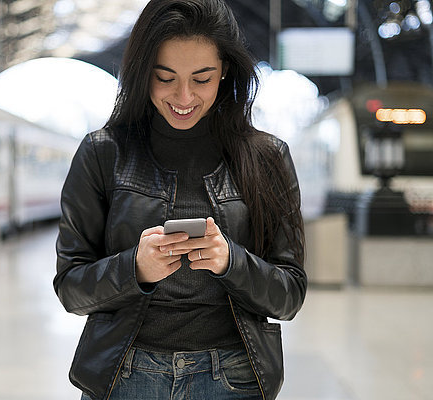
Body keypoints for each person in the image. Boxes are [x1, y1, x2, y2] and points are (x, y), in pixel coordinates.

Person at [54, 0, 306, 399]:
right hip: (125, 376)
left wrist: (231, 262)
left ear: (225, 70)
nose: (184, 96)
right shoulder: (103, 153)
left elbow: (289, 296)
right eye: (165, 77)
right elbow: (71, 287)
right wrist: (134, 268)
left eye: (202, 78)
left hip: (234, 378)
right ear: (142, 73)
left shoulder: (269, 158)